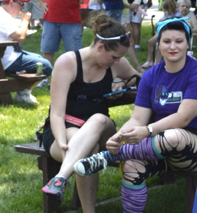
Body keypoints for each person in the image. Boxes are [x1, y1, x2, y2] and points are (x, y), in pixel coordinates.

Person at [73, 18, 197, 213]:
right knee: (132, 166)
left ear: (188, 43)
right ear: (159, 43)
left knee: (174, 136)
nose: (173, 46)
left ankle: (106, 158)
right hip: (156, 147)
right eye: (167, 41)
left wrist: (148, 130)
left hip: (194, 148)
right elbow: (137, 118)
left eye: (179, 41)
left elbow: (183, 117)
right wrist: (119, 137)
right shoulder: (151, 75)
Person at [40, 14, 139, 209]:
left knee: (99, 119)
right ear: (101, 47)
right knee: (88, 151)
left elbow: (141, 80)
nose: (118, 61)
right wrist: (61, 142)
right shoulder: (68, 62)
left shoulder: (118, 65)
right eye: (115, 57)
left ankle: (60, 178)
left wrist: (122, 83)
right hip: (64, 128)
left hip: (103, 131)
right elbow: (57, 114)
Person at [0, 0, 52, 104]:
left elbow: (15, 33)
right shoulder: (1, 17)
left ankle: (24, 91)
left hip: (0, 56)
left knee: (40, 59)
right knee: (45, 66)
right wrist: (25, 20)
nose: (22, 7)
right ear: (11, 3)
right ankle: (23, 92)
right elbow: (20, 37)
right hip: (5, 60)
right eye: (21, 3)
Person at [142, 0, 178, 69]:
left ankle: (157, 63)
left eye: (168, 8)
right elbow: (159, 23)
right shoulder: (166, 15)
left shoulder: (177, 14)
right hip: (162, 31)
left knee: (160, 46)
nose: (167, 10)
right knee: (150, 42)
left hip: (170, 32)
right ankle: (149, 61)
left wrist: (168, 19)